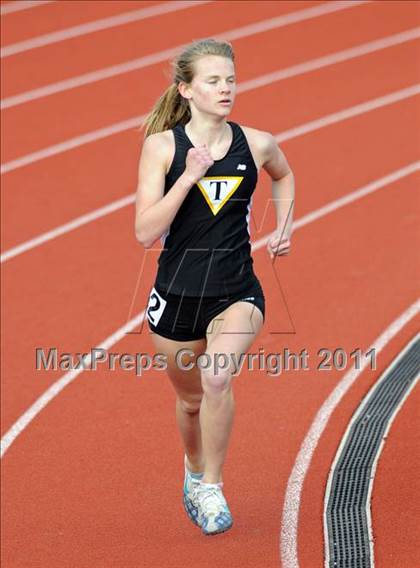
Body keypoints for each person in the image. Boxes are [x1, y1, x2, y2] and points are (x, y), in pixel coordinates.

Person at [135, 38, 294, 535]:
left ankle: (211, 486)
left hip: (236, 291)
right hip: (177, 297)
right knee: (190, 402)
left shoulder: (258, 142)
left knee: (218, 376)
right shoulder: (163, 148)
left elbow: (283, 176)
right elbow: (145, 232)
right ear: (186, 90)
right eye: (213, 81)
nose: (225, 88)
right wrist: (189, 177)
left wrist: (283, 225)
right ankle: (193, 468)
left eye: (230, 79)